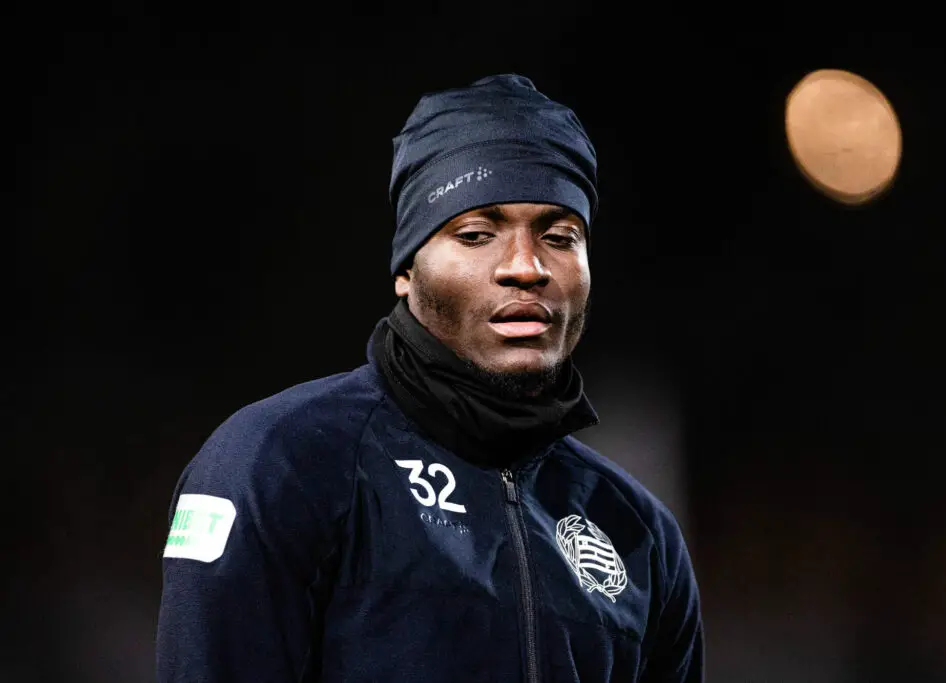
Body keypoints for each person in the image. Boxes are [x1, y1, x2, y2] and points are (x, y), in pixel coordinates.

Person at [156, 73, 704, 682]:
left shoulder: (639, 531)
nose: (526, 267)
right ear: (406, 270)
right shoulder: (279, 461)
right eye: (476, 235)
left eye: (559, 237)